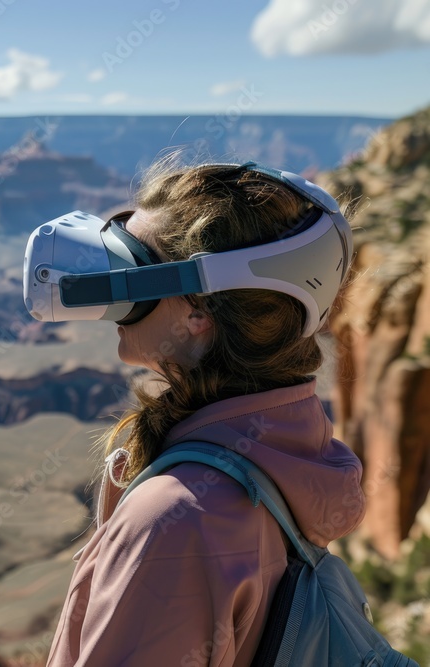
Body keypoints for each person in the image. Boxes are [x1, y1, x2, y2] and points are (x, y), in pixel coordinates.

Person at [45, 160, 366, 666]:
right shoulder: (293, 452)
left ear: (198, 312)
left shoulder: (176, 519)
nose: (111, 286)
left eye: (129, 264)